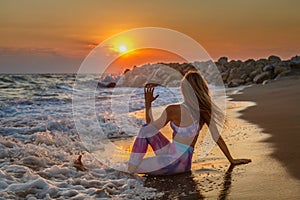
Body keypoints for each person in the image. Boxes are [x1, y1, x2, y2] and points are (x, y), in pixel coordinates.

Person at [128, 71, 251, 175]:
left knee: (127, 169)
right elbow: (216, 137)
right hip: (184, 164)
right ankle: (130, 170)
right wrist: (231, 160)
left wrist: (148, 103)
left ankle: (129, 172)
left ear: (183, 89)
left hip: (174, 164)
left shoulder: (173, 110)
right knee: (146, 130)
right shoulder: (203, 111)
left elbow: (148, 130)